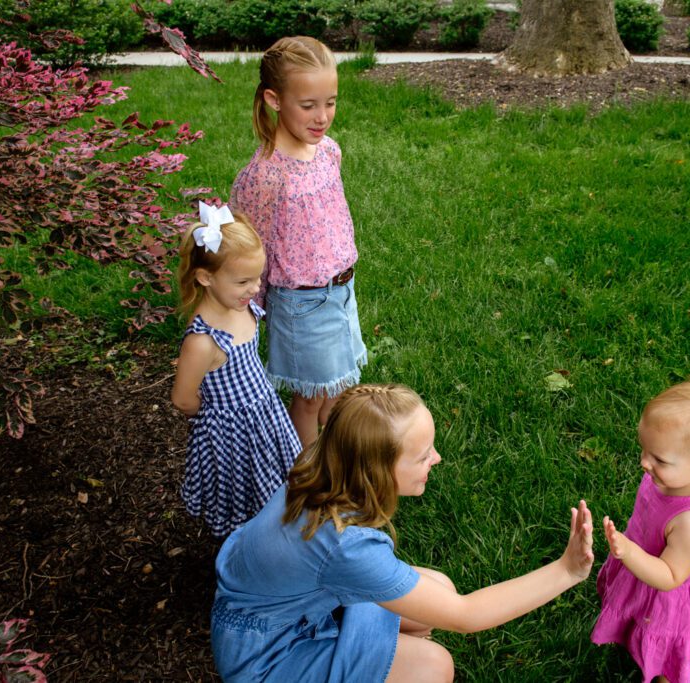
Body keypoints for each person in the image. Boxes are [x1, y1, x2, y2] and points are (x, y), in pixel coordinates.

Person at [211, 383, 594, 682]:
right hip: (265, 660)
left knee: (438, 590)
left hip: (273, 615)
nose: (437, 459)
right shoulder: (346, 546)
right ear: (377, 469)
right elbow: (467, 615)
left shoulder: (326, 465)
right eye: (423, 454)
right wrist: (566, 571)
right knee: (433, 667)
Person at [229, 35, 365, 448]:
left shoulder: (328, 152)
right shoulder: (267, 175)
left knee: (335, 390)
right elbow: (249, 248)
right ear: (274, 99)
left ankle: (331, 457)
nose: (322, 116)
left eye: (331, 102)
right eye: (308, 105)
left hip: (342, 291)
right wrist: (247, 310)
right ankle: (308, 481)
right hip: (302, 304)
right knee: (309, 400)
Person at [591, 375, 690, 683]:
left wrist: (628, 551)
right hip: (643, 566)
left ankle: (664, 671)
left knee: (664, 644)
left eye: (658, 458)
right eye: (645, 450)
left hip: (673, 599)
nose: (645, 462)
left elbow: (670, 577)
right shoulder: (671, 476)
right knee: (637, 618)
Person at [170, 201, 302, 539]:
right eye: (243, 281)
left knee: (277, 480)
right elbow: (184, 399)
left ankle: (278, 534)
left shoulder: (242, 307)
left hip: (265, 415)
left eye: (257, 278)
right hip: (232, 435)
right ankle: (250, 548)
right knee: (245, 492)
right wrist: (220, 414)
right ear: (205, 277)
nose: (255, 288)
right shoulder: (203, 342)